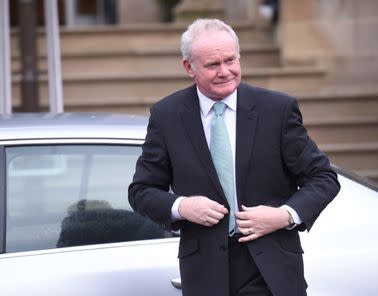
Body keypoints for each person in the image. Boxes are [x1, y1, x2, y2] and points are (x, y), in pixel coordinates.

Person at [128, 18, 340, 296]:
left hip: (271, 268)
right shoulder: (167, 116)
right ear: (189, 67)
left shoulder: (276, 109)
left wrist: (283, 215)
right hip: (205, 272)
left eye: (231, 60)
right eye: (213, 65)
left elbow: (323, 178)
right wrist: (182, 207)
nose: (225, 71)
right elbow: (141, 191)